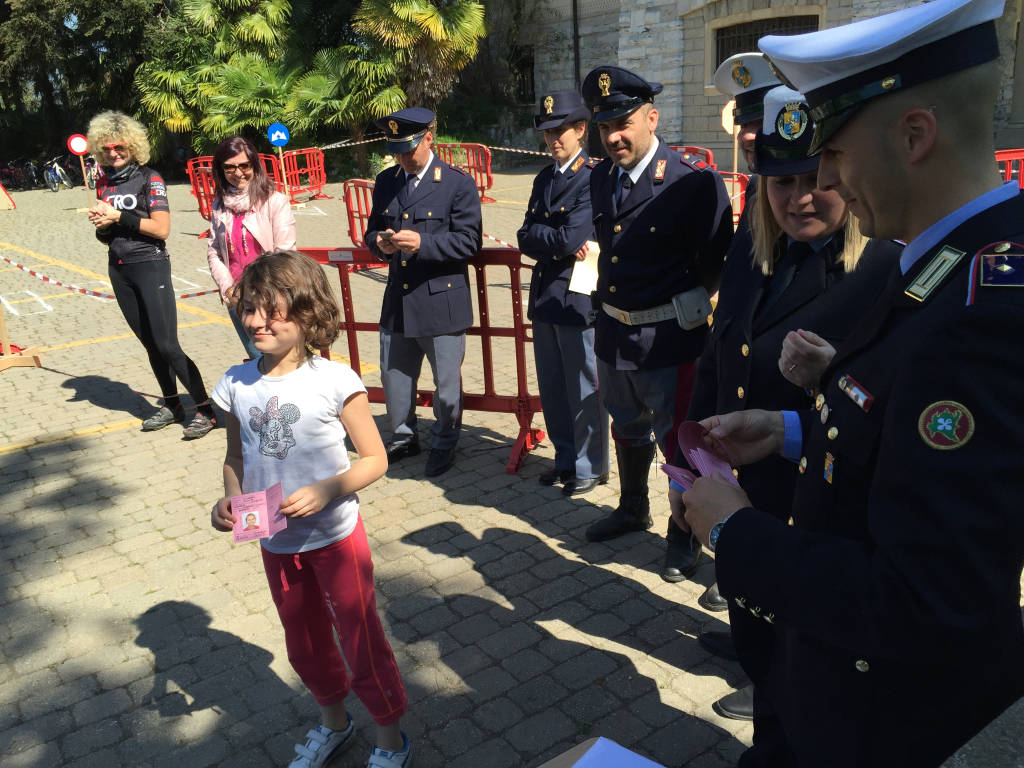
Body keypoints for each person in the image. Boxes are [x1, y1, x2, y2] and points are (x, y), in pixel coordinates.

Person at [681, 0, 1024, 763]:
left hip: (884, 722)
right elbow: (897, 436)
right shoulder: (944, 266)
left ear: (914, 136)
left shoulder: (980, 313)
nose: (822, 181)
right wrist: (790, 430)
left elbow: (923, 601)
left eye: (833, 153)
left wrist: (738, 533)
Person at [681, 85, 902, 722]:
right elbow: (718, 359)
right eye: (779, 181)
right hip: (738, 479)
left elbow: (883, 414)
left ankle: (775, 692)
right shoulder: (754, 252)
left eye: (813, 177)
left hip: (813, 500)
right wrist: (691, 457)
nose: (797, 197)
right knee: (752, 614)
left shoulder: (884, 269)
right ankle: (757, 663)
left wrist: (824, 381)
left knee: (799, 650)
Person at [210, 250, 411, 768]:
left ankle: (390, 740)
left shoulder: (335, 380)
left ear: (305, 312)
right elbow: (236, 456)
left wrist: (329, 489)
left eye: (269, 310)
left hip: (337, 539)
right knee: (304, 644)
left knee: (360, 637)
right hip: (275, 541)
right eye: (248, 309)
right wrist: (229, 497)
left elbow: (375, 458)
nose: (254, 321)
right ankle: (334, 724)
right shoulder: (236, 382)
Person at [579, 66, 734, 582]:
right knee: (626, 425)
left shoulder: (693, 182)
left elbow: (714, 261)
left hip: (670, 338)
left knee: (680, 442)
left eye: (623, 123)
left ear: (652, 116)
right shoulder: (600, 176)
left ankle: (684, 532)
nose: (614, 136)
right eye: (604, 127)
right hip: (615, 333)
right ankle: (632, 507)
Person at [687, 52, 781, 601]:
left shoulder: (829, 217)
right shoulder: (757, 205)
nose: (747, 135)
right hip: (743, 420)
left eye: (762, 119)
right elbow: (728, 328)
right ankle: (745, 617)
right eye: (743, 121)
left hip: (789, 427)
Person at [365, 108, 483, 477]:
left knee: (446, 385)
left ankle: (445, 440)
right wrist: (379, 244)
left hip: (440, 300)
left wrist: (424, 244)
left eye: (409, 149)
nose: (403, 157)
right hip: (399, 299)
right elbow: (372, 230)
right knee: (394, 375)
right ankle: (402, 436)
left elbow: (470, 241)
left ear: (429, 139)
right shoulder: (386, 181)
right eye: (397, 150)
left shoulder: (455, 183)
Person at [86, 110, 216, 439]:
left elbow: (161, 229)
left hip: (150, 265)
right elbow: (110, 232)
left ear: (132, 145)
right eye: (106, 149)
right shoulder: (104, 182)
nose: (113, 153)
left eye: (119, 147)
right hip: (119, 268)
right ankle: (172, 405)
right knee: (149, 345)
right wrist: (102, 226)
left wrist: (118, 216)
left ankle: (205, 409)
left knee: (167, 344)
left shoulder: (150, 178)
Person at [517, 90, 609, 496]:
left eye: (561, 130)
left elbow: (574, 235)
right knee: (553, 386)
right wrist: (551, 238)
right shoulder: (544, 178)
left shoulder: (593, 177)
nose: (553, 139)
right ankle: (565, 458)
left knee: (584, 385)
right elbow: (525, 237)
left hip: (578, 296)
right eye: (547, 131)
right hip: (546, 296)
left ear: (581, 130)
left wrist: (547, 236)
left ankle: (590, 465)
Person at [207, 135, 296, 359]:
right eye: (229, 168)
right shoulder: (219, 205)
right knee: (258, 361)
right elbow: (214, 251)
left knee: (281, 361)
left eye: (244, 165)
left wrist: (255, 292)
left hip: (271, 298)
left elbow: (284, 253)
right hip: (237, 300)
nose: (237, 173)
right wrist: (228, 288)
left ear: (254, 165)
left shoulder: (275, 201)